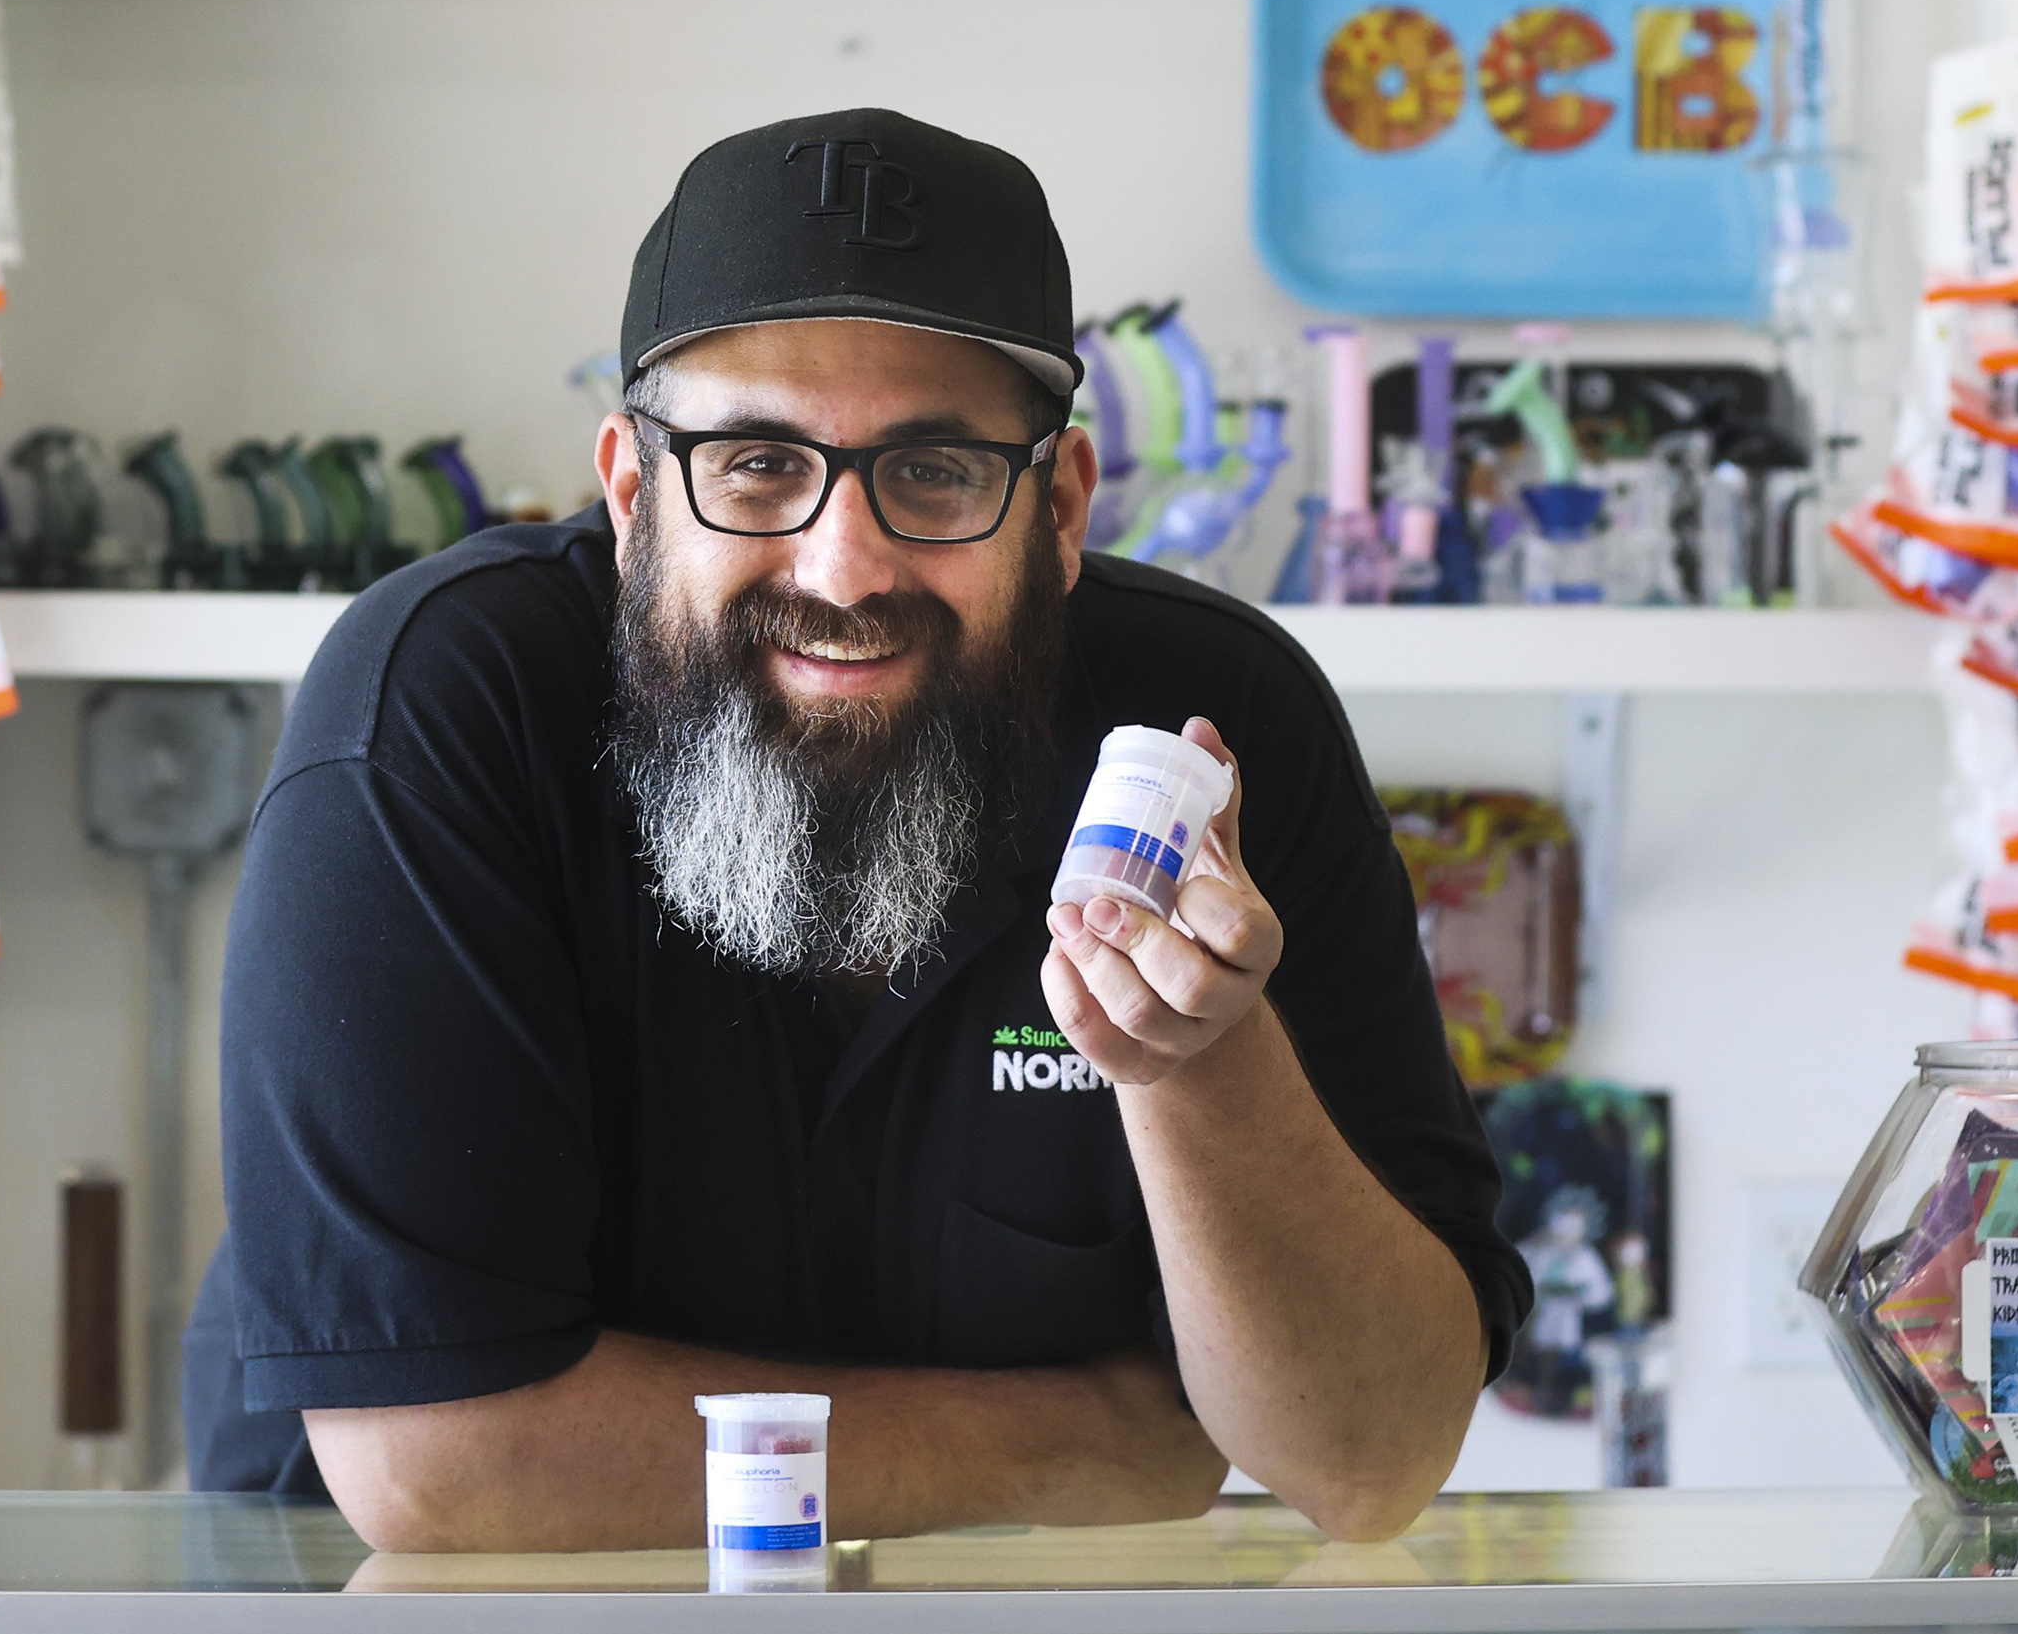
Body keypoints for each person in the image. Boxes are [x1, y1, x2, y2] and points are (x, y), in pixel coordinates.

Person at [188, 110, 1528, 1550]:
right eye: (757, 463)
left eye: (936, 469)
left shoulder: (1211, 729)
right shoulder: (442, 703)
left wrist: (1201, 1066)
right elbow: (442, 1473)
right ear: (634, 497)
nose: (846, 563)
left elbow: (1372, 1458)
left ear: (1060, 506)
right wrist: (1083, 1443)